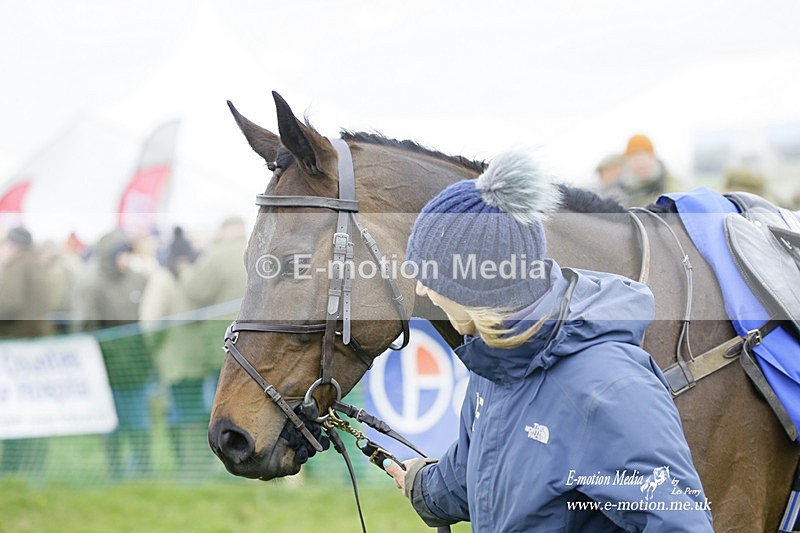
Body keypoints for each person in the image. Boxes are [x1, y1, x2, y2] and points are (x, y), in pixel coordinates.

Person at [384, 151, 713, 531]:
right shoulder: (494, 360)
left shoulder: (608, 392)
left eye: (431, 276)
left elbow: (679, 524)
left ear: (477, 290)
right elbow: (480, 470)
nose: (422, 288)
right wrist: (423, 486)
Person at [78, 228, 153, 479]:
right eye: (119, 254)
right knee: (111, 424)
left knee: (140, 421)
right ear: (108, 256)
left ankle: (143, 468)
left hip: (137, 366)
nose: (124, 259)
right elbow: (88, 327)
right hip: (108, 369)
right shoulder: (94, 285)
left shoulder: (137, 279)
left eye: (126, 253)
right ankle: (115, 471)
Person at [139, 227, 207, 472]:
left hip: (173, 361)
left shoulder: (162, 278)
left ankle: (187, 465)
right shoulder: (195, 275)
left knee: (179, 413)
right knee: (195, 412)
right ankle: (197, 463)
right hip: (197, 358)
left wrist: (154, 349)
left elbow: (150, 322)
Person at [180, 217, 248, 411]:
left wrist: (185, 271)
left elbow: (195, 289)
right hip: (256, 339)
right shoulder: (260, 250)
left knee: (218, 392)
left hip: (223, 339)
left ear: (226, 231)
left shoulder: (217, 255)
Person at [0, 227, 52, 474]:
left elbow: (8, 303)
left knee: (12, 408)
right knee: (33, 407)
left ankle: (11, 465)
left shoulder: (18, 265)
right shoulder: (39, 265)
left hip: (15, 342)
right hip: (36, 341)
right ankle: (33, 464)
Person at [610, 134, 683, 207]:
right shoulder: (619, 194)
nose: (641, 163)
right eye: (635, 158)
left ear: (653, 157)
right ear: (628, 162)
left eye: (645, 156)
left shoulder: (674, 189)